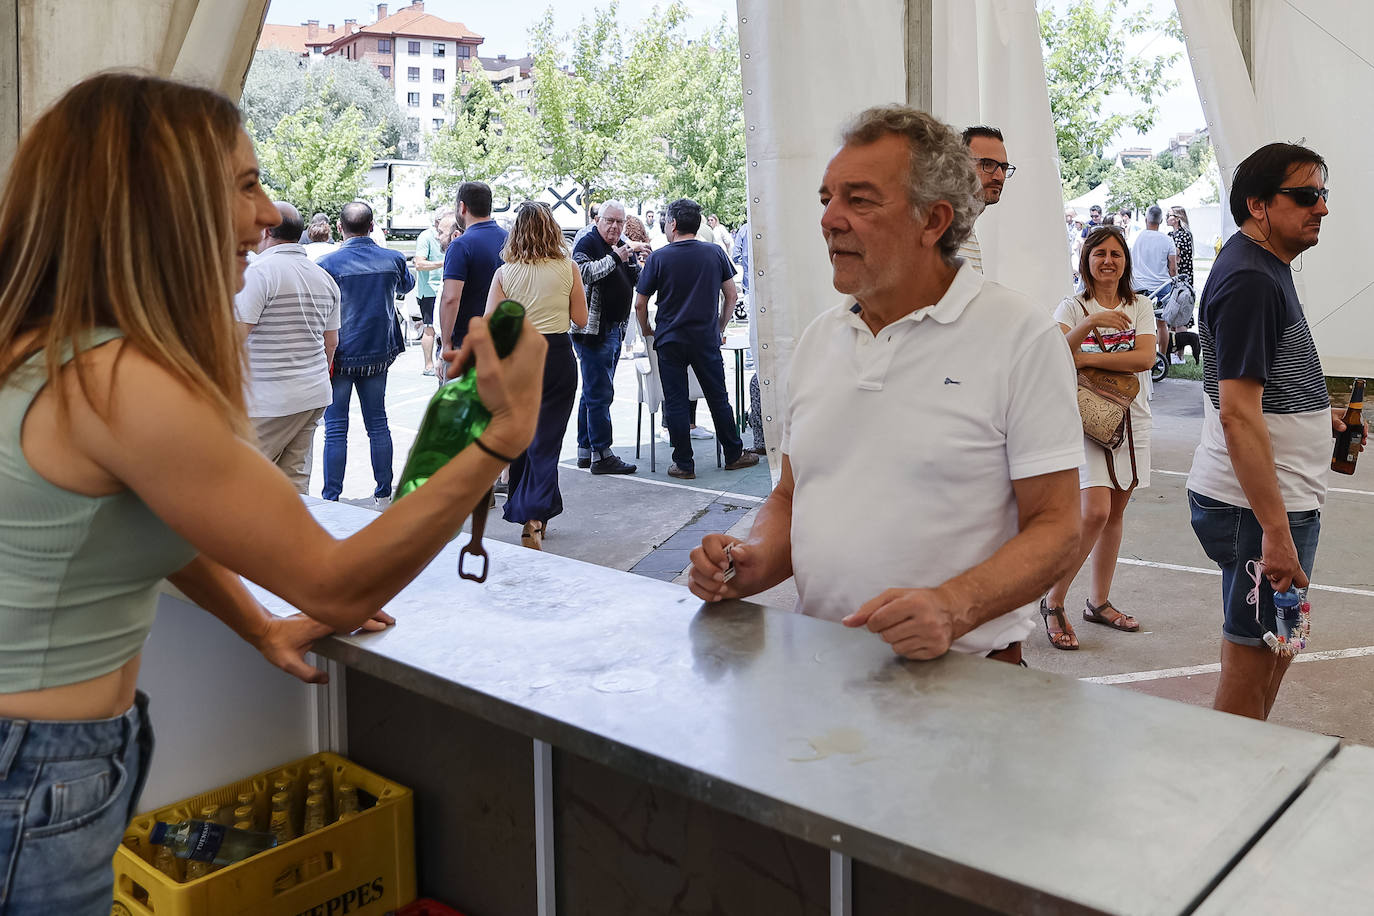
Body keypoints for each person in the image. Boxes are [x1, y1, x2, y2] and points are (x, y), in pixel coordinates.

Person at [0, 72, 545, 912]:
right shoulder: (119, 382)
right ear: (161, 204)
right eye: (247, 184)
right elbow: (336, 583)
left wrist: (257, 624)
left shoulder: (50, 348)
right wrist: (501, 437)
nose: (269, 215)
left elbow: (144, 525)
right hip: (36, 764)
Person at [687, 105, 1082, 665]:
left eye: (860, 199)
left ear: (933, 221)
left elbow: (1058, 524)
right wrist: (753, 559)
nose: (829, 219)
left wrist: (954, 606)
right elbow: (792, 496)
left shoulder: (1020, 336)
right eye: (827, 199)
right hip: (821, 668)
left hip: (968, 682)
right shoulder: (821, 340)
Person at [1186, 142, 1360, 720]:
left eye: (1323, 195)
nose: (1322, 209)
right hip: (1257, 509)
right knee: (1253, 660)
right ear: (1258, 205)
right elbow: (1237, 412)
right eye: (1306, 196)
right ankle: (1233, 792)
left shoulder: (1261, 268)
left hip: (1267, 503)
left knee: (1274, 648)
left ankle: (1243, 771)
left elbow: (1256, 389)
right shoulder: (1252, 281)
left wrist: (1319, 415)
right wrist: (1276, 533)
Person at [1041, 227, 1157, 649]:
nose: (1108, 260)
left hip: (1132, 420)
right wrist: (1089, 322)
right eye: (1099, 253)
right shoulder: (1072, 307)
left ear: (1126, 260)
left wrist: (1088, 356)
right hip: (1086, 422)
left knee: (1115, 513)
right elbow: (1054, 353)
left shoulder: (1140, 304)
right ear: (1086, 259)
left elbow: (1146, 357)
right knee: (1094, 512)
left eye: (1116, 253)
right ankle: (1053, 602)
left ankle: (1099, 602)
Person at [487, 202, 588, 550]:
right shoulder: (568, 267)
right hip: (557, 356)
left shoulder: (505, 273)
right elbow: (581, 319)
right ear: (553, 230)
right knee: (546, 441)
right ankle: (534, 518)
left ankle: (531, 512)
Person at [634, 198, 759, 480]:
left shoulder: (659, 258)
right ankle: (733, 453)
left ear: (673, 224)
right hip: (705, 338)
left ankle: (684, 463)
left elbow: (640, 304)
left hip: (670, 339)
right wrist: (720, 326)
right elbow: (731, 295)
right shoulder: (714, 253)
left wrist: (646, 331)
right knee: (718, 397)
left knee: (676, 401)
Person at [235, 201, 340, 494]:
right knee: (294, 484)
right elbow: (331, 343)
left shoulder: (259, 273)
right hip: (312, 394)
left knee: (244, 485)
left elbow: (233, 338)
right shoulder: (324, 278)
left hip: (266, 400)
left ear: (266, 230)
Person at [317, 202, 416, 505]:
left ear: (339, 227)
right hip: (377, 352)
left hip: (340, 353)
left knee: (335, 429)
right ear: (372, 226)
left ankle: (331, 497)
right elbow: (406, 287)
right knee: (378, 423)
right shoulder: (394, 259)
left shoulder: (327, 264)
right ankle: (383, 493)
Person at [571, 200, 650, 475]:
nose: (615, 227)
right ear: (598, 220)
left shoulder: (622, 244)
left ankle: (586, 450)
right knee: (600, 393)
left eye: (620, 222)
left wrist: (640, 265)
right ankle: (602, 454)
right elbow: (583, 274)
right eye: (610, 221)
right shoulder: (587, 243)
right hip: (593, 331)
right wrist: (617, 256)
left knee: (593, 392)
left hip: (614, 328)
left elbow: (635, 278)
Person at [439, 181, 508, 373]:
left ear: (462, 207)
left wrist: (445, 343)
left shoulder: (461, 245)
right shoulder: (511, 240)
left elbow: (451, 298)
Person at [957, 125, 1013, 272]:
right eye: (987, 164)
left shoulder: (966, 233)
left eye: (1003, 167)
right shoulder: (936, 230)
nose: (999, 176)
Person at [412, 208, 456, 376]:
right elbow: (419, 264)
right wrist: (444, 263)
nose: (440, 236)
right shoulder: (426, 237)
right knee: (430, 328)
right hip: (429, 289)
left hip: (445, 286)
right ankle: (428, 365)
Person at [1131, 204, 1178, 359]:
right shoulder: (1167, 240)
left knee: (1138, 324)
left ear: (1146, 219)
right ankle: (1162, 357)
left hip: (1139, 286)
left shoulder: (1137, 238)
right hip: (1162, 286)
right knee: (1162, 324)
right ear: (1161, 221)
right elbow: (1173, 268)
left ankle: (1139, 354)